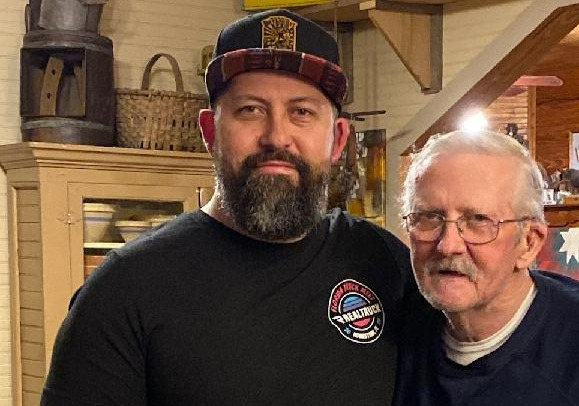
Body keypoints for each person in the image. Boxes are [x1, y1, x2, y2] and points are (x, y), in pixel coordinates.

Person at [41, 9, 415, 406]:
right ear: (210, 132)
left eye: (301, 112)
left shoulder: (384, 263)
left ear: (338, 140)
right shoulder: (125, 289)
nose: (277, 136)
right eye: (250, 109)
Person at [393, 129, 579, 405]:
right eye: (428, 217)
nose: (448, 245)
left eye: (478, 220)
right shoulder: (391, 334)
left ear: (529, 243)